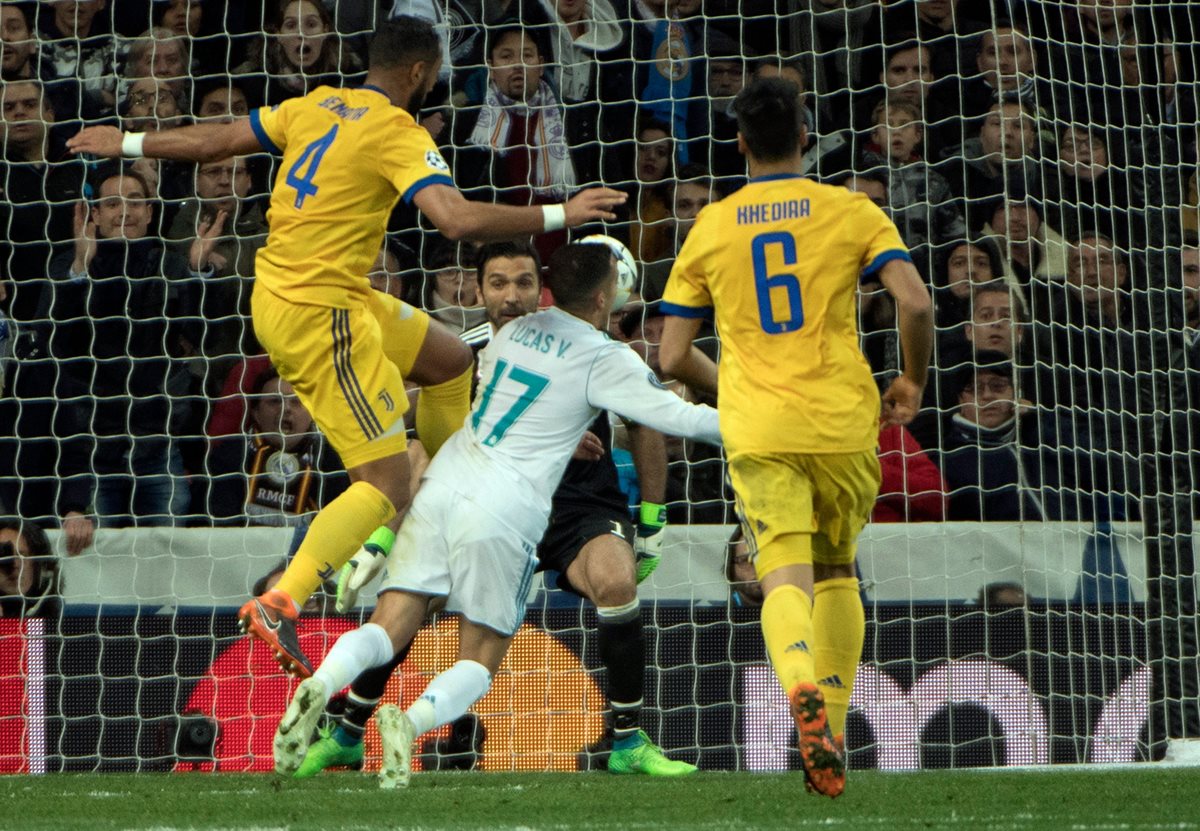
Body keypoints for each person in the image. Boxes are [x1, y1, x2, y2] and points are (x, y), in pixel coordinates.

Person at [67, 15, 626, 678]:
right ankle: (282, 597)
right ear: (419, 74)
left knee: (451, 362)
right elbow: (456, 218)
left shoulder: (316, 102)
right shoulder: (397, 130)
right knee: (385, 483)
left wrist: (128, 139)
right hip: (319, 309)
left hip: (306, 289)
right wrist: (564, 213)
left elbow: (217, 139)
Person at [272, 243, 720, 787]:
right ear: (479, 290)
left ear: (544, 288)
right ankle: (374, 727)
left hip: (560, 504)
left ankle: (626, 736)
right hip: (510, 508)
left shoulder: (513, 340)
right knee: (478, 656)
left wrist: (651, 517)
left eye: (524, 283)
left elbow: (641, 428)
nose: (512, 296)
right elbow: (678, 417)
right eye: (500, 284)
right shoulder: (504, 351)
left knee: (610, 578)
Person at [658, 77, 933, 798]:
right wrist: (911, 380)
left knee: (782, 572)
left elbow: (669, 356)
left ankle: (800, 683)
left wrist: (734, 387)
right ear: (806, 136)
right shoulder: (852, 209)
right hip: (843, 419)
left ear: (740, 142)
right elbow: (915, 300)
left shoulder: (712, 225)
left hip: (760, 429)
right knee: (838, 566)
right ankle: (831, 726)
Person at [196, 368, 349, 527]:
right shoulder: (229, 456)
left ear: (312, 414)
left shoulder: (331, 463)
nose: (286, 409)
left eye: (296, 402)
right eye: (274, 401)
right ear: (256, 413)